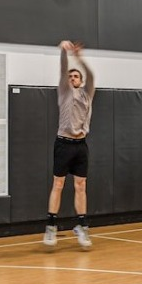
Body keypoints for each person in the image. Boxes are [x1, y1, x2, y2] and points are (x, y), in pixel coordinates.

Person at [45, 40, 95, 248]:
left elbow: (91, 76)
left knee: (80, 185)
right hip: (63, 144)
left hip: (80, 145)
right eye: (70, 76)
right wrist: (65, 53)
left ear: (80, 80)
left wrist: (80, 57)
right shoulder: (64, 92)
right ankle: (51, 227)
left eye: (76, 76)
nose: (72, 77)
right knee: (58, 184)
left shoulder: (87, 93)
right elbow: (63, 68)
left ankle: (81, 226)